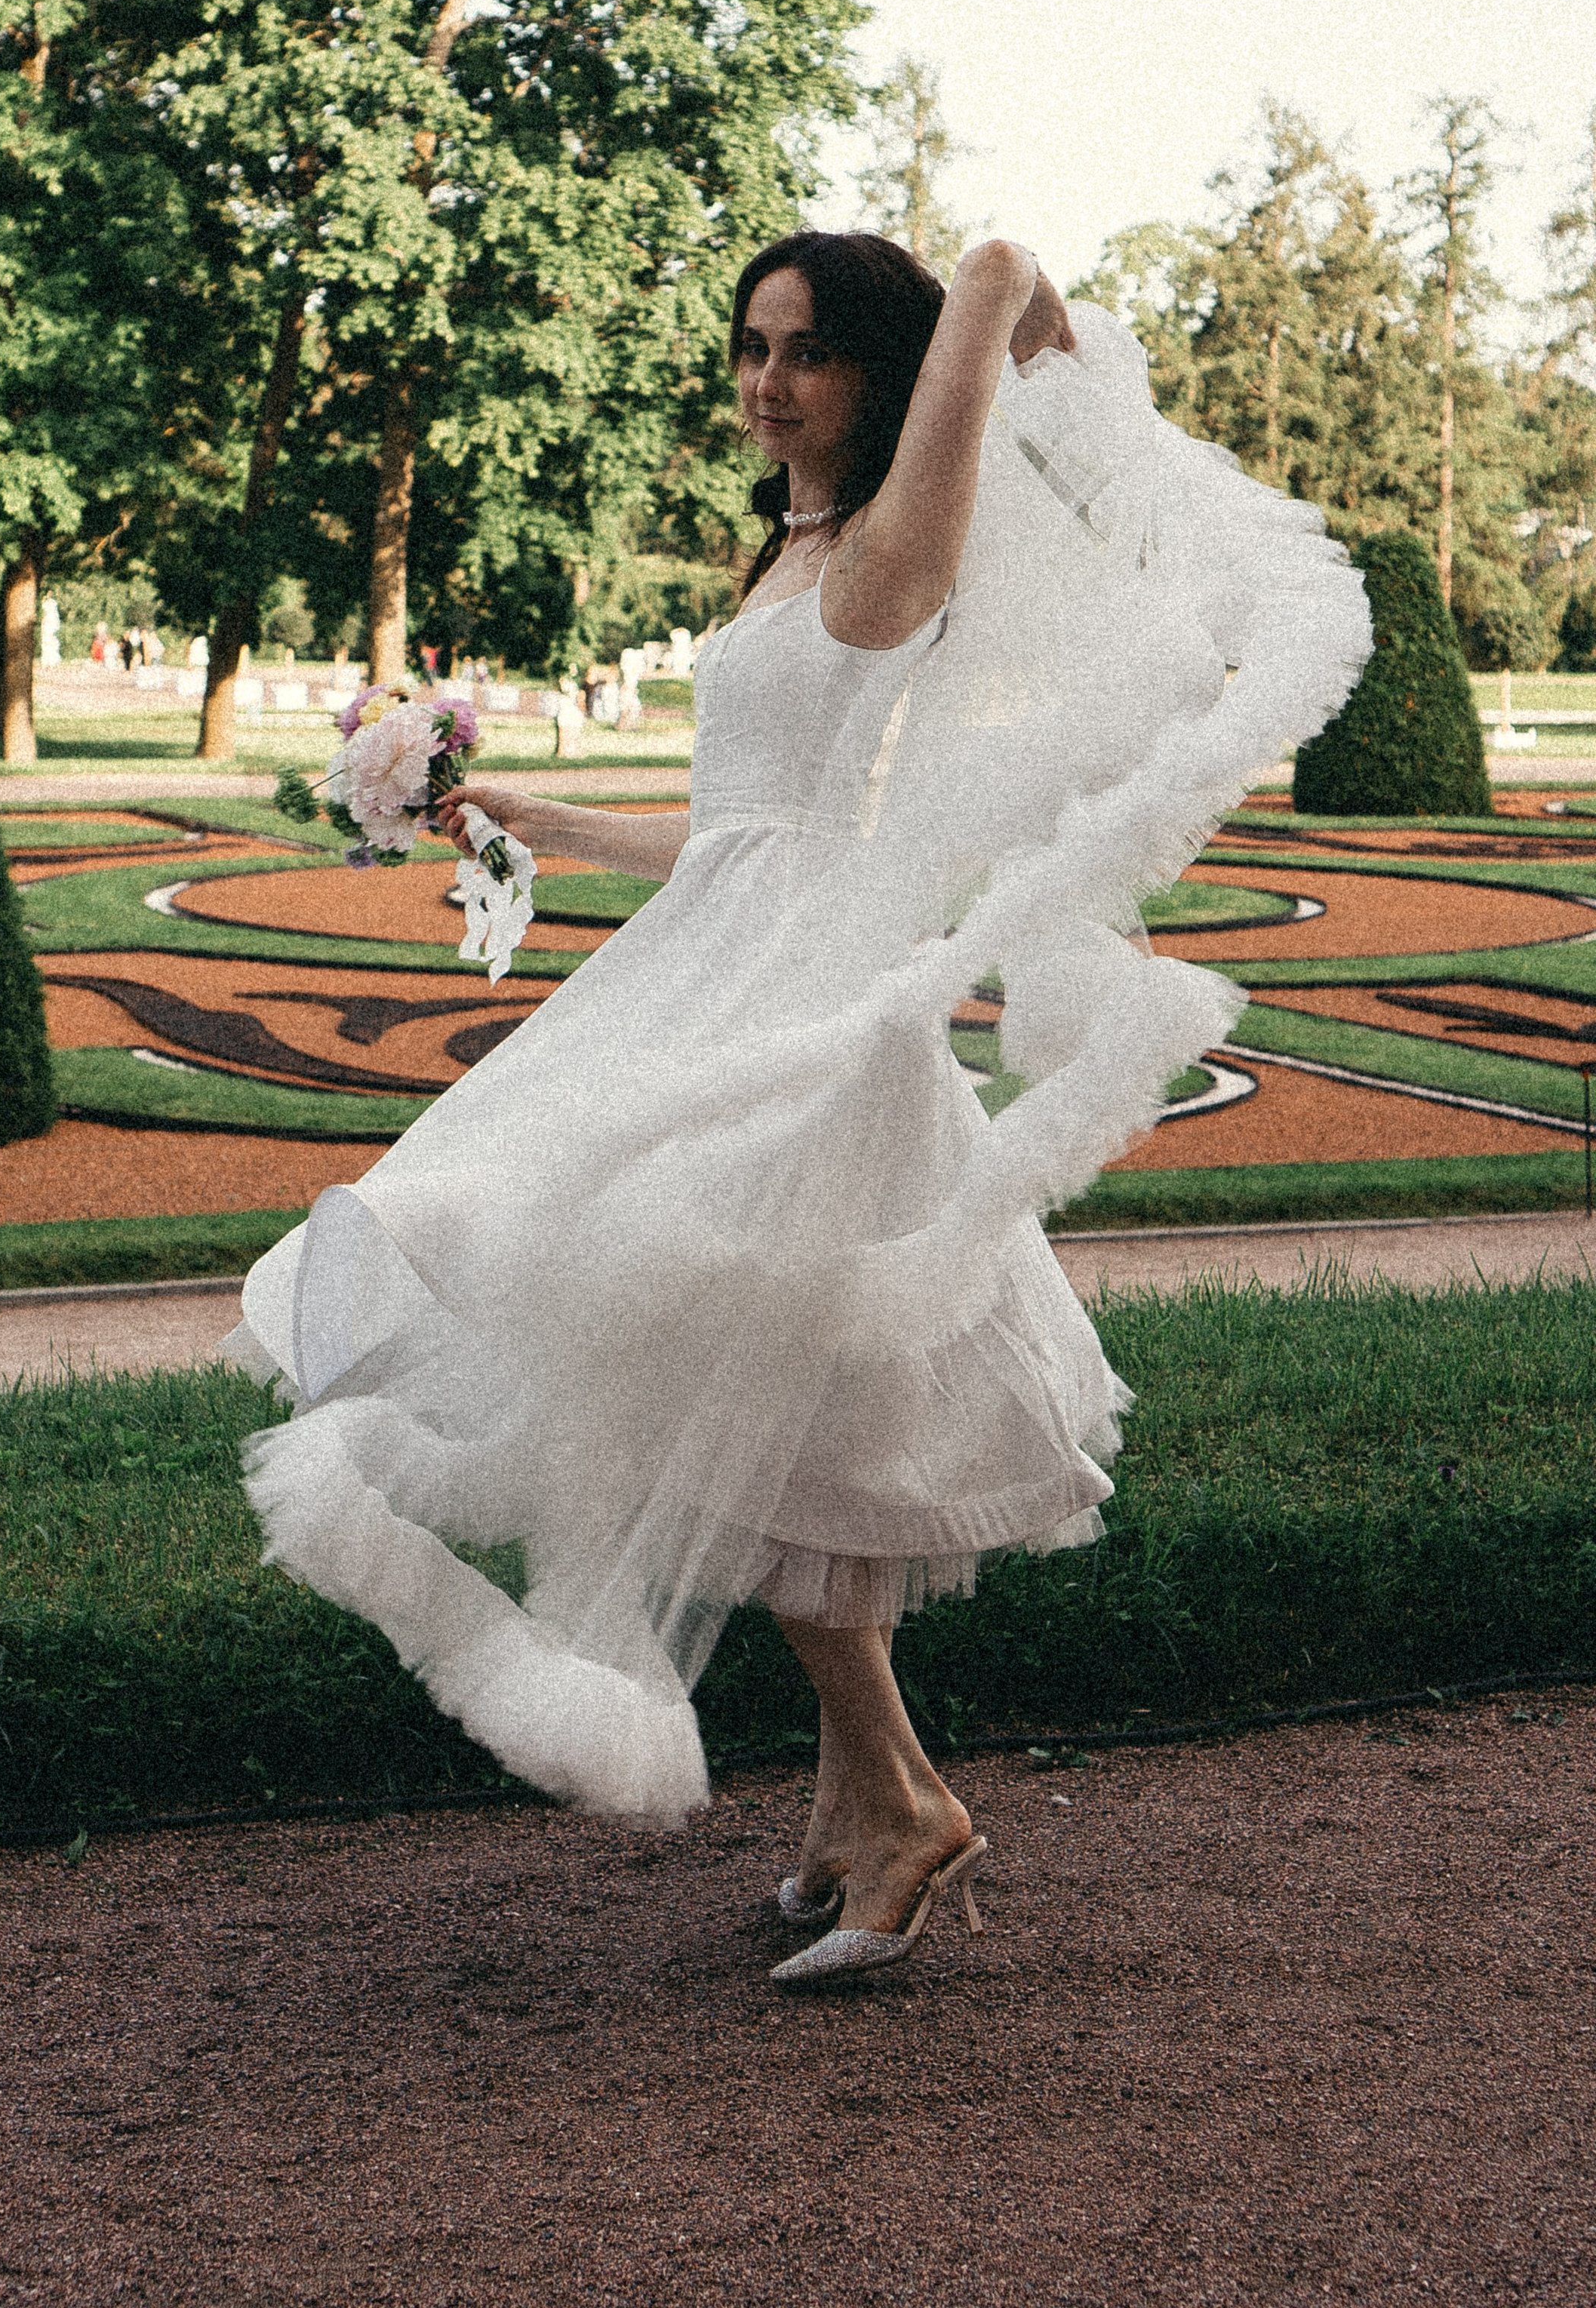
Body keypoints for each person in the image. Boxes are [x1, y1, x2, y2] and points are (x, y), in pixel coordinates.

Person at [229, 232, 1368, 1986]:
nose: (766, 382)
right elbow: (738, 829)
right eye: (753, 347)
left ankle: (896, 1810)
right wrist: (515, 810)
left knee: (705, 1368)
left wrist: (986, 293)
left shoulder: (894, 549)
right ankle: (871, 1814)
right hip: (722, 948)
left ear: (881, 374)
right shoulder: (795, 551)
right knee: (770, 1406)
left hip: (805, 1003)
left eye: (810, 352)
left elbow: (978, 343)